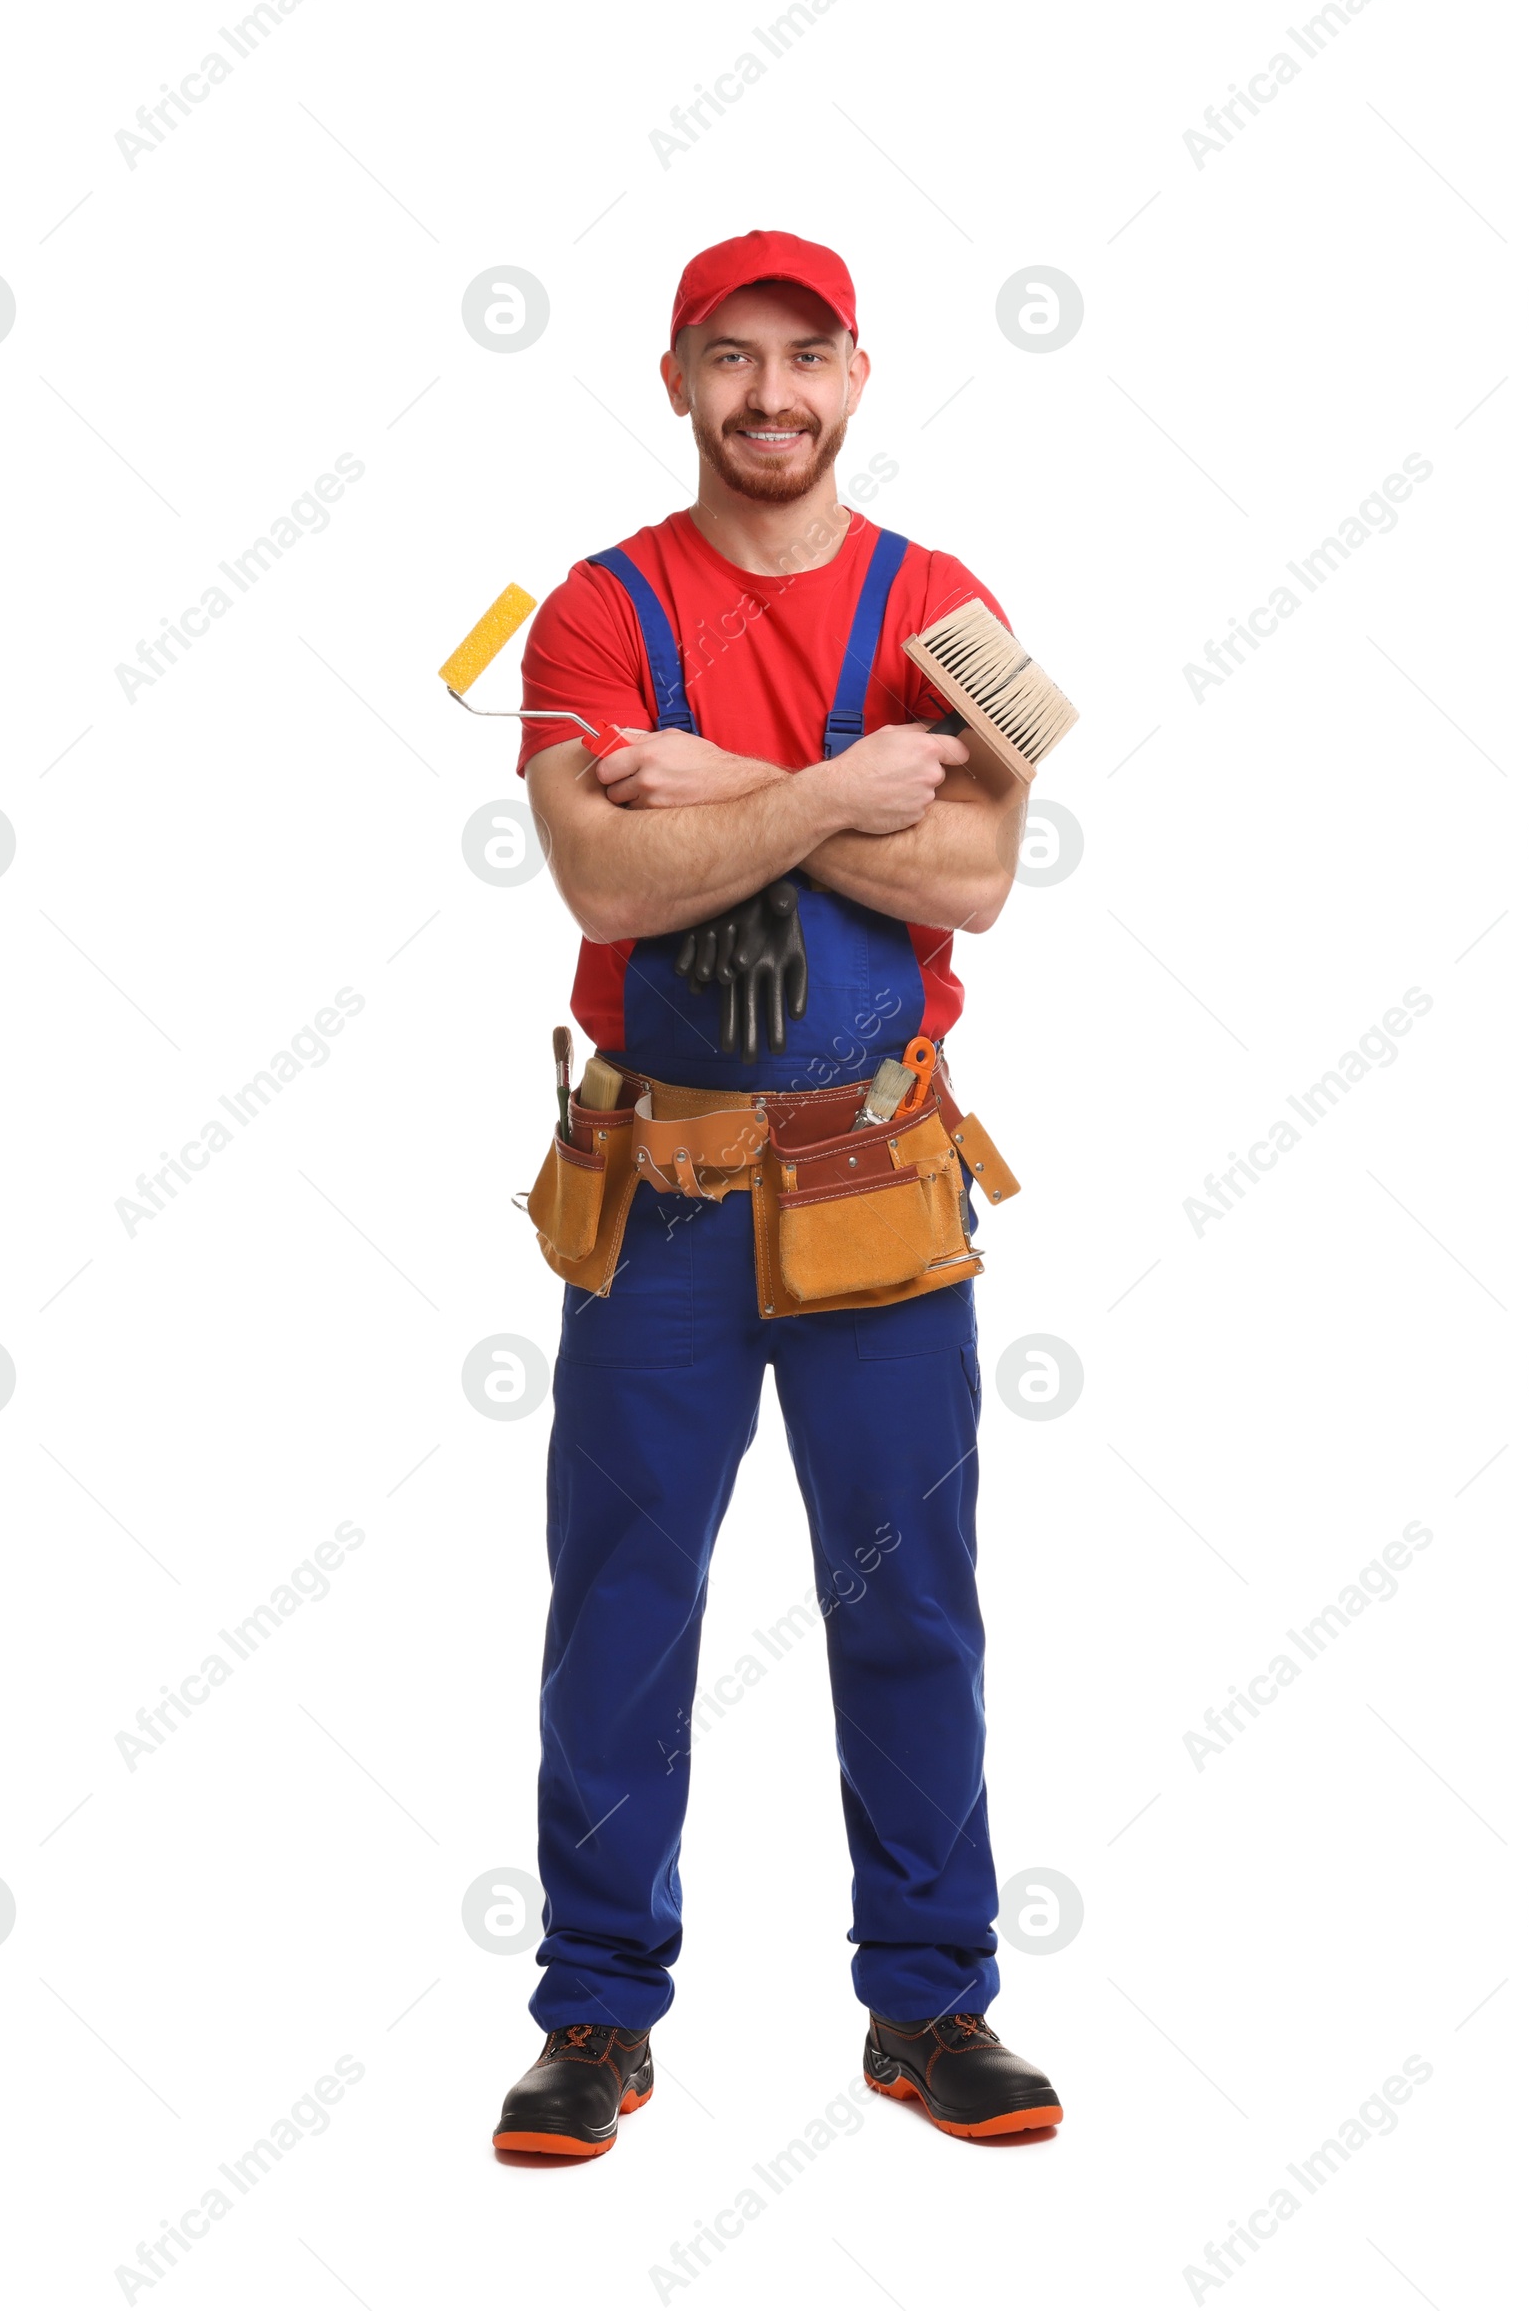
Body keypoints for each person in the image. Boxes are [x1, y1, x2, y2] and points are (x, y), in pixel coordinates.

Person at [491, 230, 1063, 2157]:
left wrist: (724, 782)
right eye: (728, 360)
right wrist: (841, 791)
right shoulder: (583, 614)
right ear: (674, 382)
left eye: (803, 357)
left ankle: (933, 2006)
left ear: (857, 377)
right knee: (625, 1605)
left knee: (910, 1609)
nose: (769, 397)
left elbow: (981, 877)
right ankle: (594, 2017)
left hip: (879, 1188)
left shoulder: (952, 609)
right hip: (655, 1196)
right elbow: (611, 887)